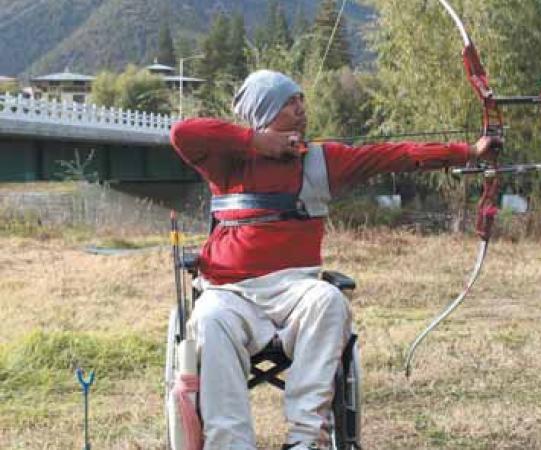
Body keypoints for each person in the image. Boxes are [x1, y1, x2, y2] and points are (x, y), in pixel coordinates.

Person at [170, 69, 497, 450]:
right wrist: (258, 143)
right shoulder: (226, 161)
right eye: (290, 102)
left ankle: (306, 441)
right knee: (208, 319)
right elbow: (182, 133)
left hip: (297, 290)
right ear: (265, 111)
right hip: (231, 292)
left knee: (329, 302)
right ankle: (230, 443)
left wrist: (469, 151)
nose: (301, 108)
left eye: (301, 100)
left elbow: (395, 156)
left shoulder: (320, 160)